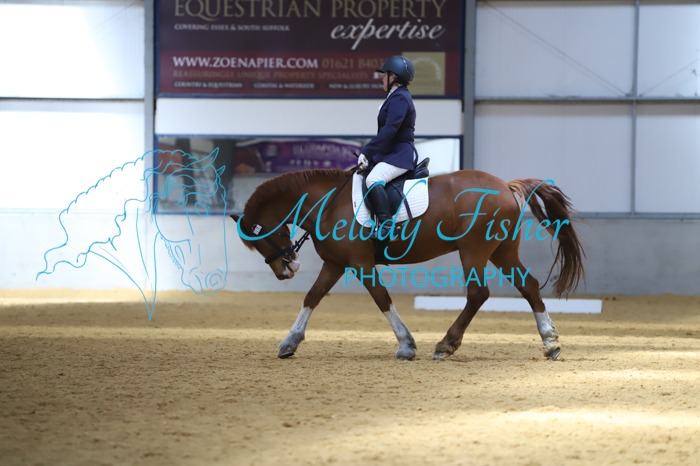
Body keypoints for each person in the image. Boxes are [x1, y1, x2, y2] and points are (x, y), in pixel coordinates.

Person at [358, 55, 417, 240]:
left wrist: (367, 152)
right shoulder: (395, 96)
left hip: (400, 154)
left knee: (373, 179)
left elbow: (390, 130)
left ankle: (387, 225)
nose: (382, 79)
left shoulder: (400, 98)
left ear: (394, 77)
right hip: (391, 153)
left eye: (385, 75)